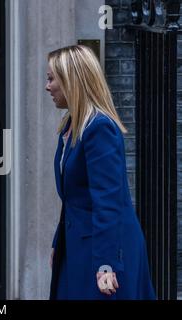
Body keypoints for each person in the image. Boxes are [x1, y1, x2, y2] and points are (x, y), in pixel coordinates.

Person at [46, 45, 155, 300]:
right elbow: (75, 199)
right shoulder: (71, 126)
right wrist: (58, 243)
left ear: (72, 81)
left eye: (52, 79)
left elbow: (108, 201)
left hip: (103, 250)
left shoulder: (99, 128)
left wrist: (106, 264)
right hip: (78, 245)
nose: (47, 86)